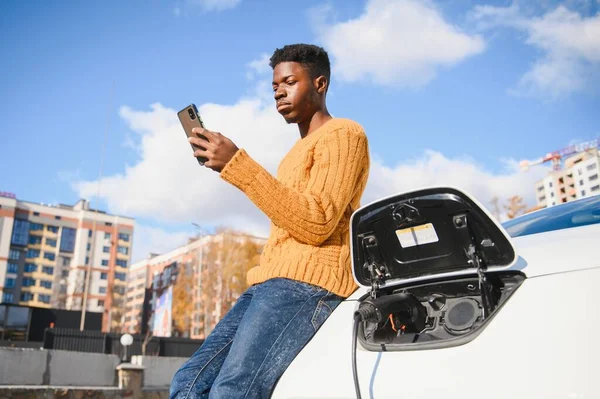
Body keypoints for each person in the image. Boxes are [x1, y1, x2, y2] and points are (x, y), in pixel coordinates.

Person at [170, 43, 370, 399]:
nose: (278, 91)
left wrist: (237, 165)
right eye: (275, 85)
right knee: (187, 382)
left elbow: (318, 221)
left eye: (289, 82)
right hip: (269, 283)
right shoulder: (292, 155)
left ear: (320, 84)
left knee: (232, 390)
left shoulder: (344, 135)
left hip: (308, 284)